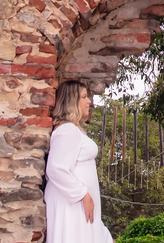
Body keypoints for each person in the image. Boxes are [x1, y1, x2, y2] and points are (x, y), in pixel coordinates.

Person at [45, 80, 114, 243]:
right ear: (71, 101)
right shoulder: (67, 130)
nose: (89, 101)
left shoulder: (74, 130)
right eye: (84, 97)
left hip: (78, 203)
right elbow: (56, 169)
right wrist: (83, 195)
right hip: (72, 202)